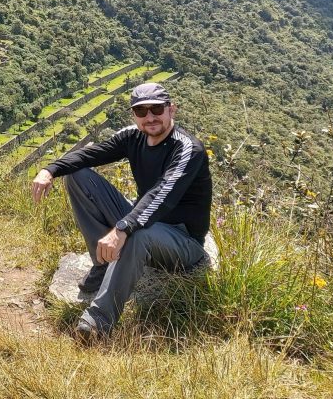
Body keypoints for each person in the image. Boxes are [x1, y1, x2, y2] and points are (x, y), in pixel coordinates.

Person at [31, 82, 212, 341]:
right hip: (147, 221)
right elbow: (90, 155)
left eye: (157, 109)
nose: (150, 117)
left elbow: (162, 196)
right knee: (77, 176)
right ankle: (103, 262)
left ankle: (98, 323)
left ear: (172, 109)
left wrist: (123, 228)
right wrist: (50, 169)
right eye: (141, 112)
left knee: (136, 234)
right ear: (134, 116)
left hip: (182, 240)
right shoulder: (133, 136)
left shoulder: (187, 149)